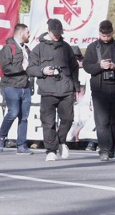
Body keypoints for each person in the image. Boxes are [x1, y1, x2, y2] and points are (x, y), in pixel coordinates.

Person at [27, 19, 80, 162]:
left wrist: (76, 87)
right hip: (47, 90)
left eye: (59, 33)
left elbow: (74, 68)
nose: (57, 35)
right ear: (49, 31)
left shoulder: (66, 47)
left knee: (68, 119)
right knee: (48, 122)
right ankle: (51, 150)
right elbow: (30, 69)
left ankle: (61, 141)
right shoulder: (38, 48)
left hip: (66, 89)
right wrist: (43, 70)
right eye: (54, 33)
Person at [83, 20, 115, 162]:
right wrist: (100, 66)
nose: (106, 37)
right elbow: (87, 66)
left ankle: (111, 147)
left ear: (112, 32)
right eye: (103, 35)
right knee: (102, 121)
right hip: (99, 89)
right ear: (99, 33)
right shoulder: (93, 47)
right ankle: (104, 149)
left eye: (108, 35)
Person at [0, 24, 34, 155]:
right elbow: (6, 68)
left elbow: (31, 66)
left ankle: (22, 145)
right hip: (11, 86)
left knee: (24, 117)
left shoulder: (27, 49)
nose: (29, 35)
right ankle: (1, 137)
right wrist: (22, 68)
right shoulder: (8, 48)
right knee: (13, 112)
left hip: (25, 86)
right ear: (20, 33)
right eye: (27, 32)